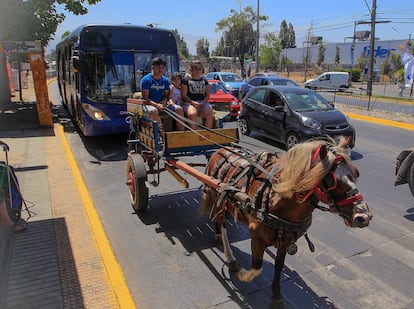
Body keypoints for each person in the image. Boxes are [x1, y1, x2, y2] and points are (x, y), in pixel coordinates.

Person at [140, 57, 170, 135]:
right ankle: (162, 135)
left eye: (162, 68)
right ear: (153, 67)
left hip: (161, 104)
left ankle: (181, 134)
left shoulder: (165, 80)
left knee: (179, 109)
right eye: (158, 67)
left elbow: (166, 96)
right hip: (148, 105)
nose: (160, 70)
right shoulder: (146, 80)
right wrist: (157, 105)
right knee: (154, 111)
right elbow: (145, 98)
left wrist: (163, 102)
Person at [181, 60, 214, 129]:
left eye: (199, 69)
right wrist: (192, 102)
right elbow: (184, 95)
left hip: (202, 102)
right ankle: (195, 135)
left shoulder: (204, 80)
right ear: (191, 69)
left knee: (210, 112)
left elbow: (207, 94)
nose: (197, 71)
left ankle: (208, 133)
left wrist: (203, 102)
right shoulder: (186, 79)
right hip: (189, 103)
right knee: (193, 114)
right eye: (195, 69)